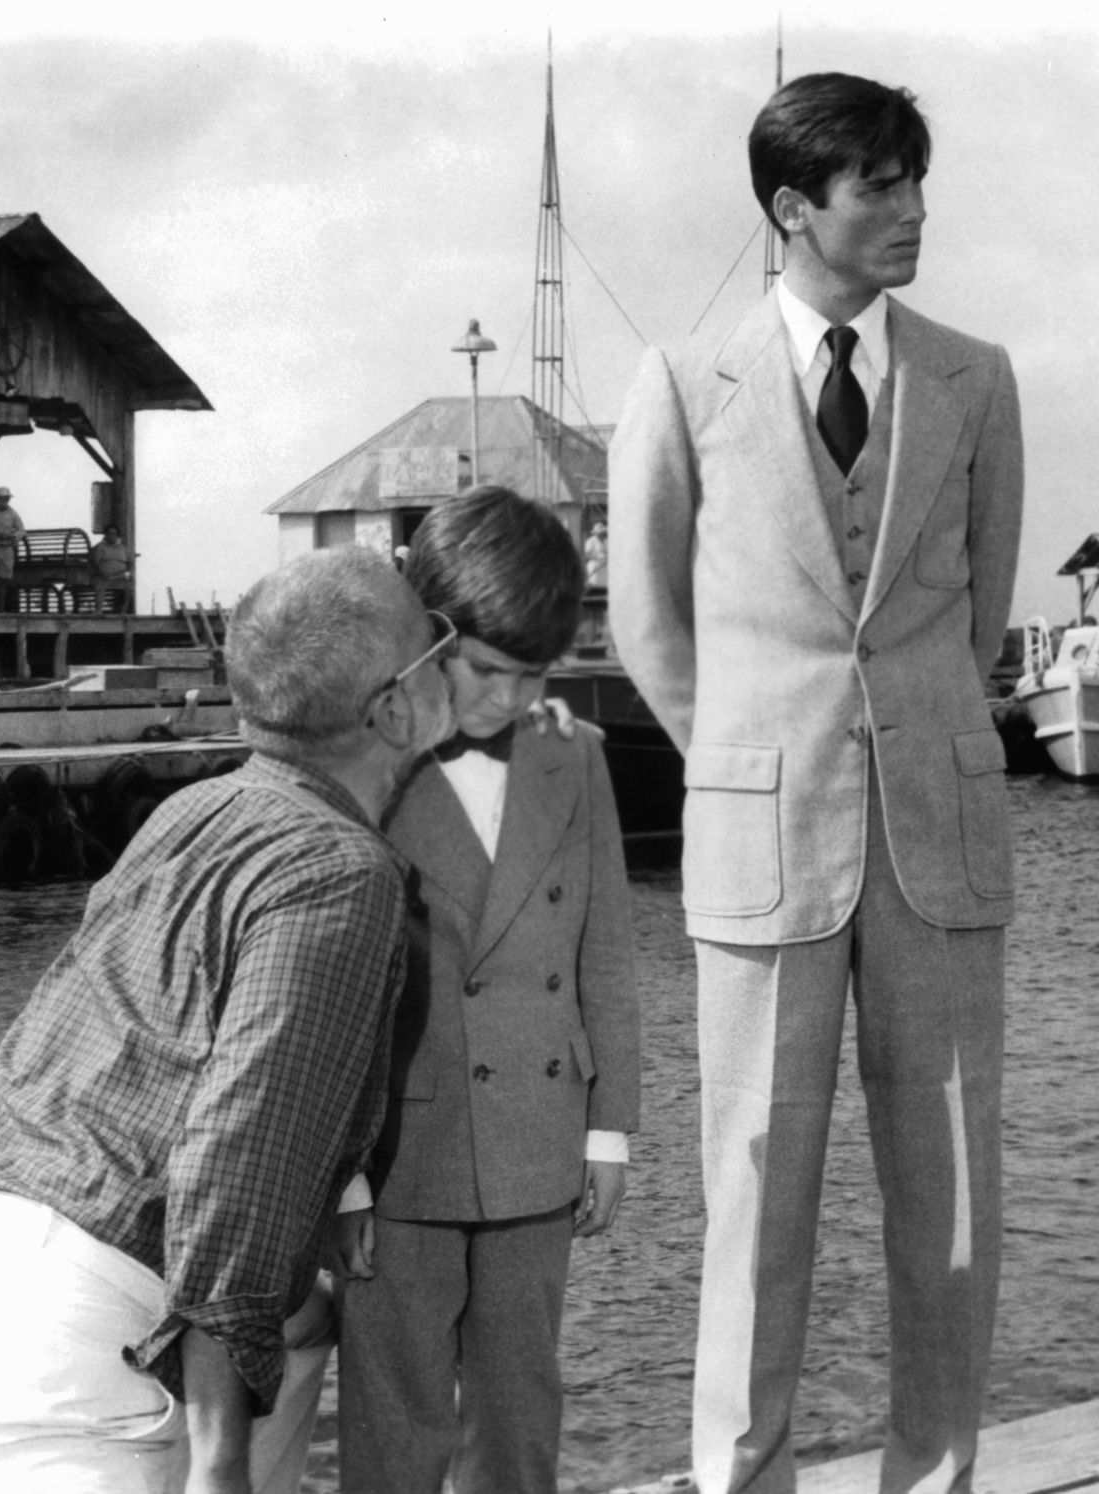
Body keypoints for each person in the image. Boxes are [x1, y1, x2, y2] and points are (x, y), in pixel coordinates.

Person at [609, 72, 1022, 1494]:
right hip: (762, 847)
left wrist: (906, 737)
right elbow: (647, 624)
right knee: (754, 1189)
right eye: (879, 186)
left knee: (952, 1189)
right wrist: (738, 767)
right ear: (796, 209)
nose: (912, 210)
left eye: (917, 181)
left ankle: (939, 1476)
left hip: (940, 842)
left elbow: (978, 623)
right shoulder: (680, 383)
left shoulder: (975, 377)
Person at [0, 545, 457, 1494]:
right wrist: (220, 1471)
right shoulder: (343, 874)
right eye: (439, 648)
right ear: (391, 709)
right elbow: (240, 1167)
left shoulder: (194, 811)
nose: (453, 660)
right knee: (257, 1345)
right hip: (62, 1336)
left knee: (303, 1324)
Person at [336, 485, 641, 1494]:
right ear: (425, 638)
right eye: (483, 668)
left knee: (520, 1412)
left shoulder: (573, 758)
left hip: (537, 1135)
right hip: (396, 1145)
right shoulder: (362, 762)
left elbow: (604, 956)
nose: (508, 697)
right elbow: (322, 993)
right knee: (394, 1420)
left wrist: (609, 1132)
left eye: (533, 673)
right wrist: (341, 1173)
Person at [92, 523, 134, 614]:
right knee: (99, 583)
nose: (111, 536)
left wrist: (128, 571)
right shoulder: (100, 547)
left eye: (114, 533)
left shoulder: (123, 548)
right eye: (109, 533)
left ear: (117, 535)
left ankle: (124, 610)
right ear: (105, 535)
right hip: (105, 575)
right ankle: (99, 610)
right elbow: (96, 563)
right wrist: (103, 574)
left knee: (130, 581)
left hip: (120, 575)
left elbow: (130, 562)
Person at [582, 518, 609, 589]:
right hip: (594, 566)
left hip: (604, 566)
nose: (603, 533)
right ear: (596, 533)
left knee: (604, 586)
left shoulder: (607, 541)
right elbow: (587, 555)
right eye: (601, 532)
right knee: (594, 585)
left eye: (603, 532)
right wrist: (598, 557)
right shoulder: (590, 541)